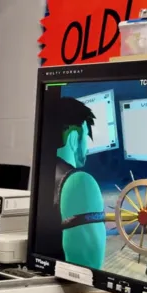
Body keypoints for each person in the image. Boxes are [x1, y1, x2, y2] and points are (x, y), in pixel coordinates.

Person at [47, 97, 106, 270]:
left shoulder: (44, 171)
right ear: (73, 137)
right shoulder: (79, 182)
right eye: (86, 136)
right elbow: (88, 269)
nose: (87, 148)